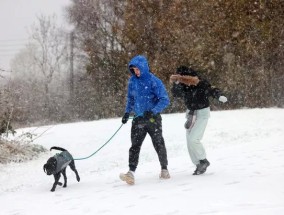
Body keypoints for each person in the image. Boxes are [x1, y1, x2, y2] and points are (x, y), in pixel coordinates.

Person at [120, 55, 170, 185]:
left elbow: (165, 99)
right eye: (133, 69)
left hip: (153, 119)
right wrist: (126, 113)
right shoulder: (132, 81)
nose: (136, 72)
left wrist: (153, 111)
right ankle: (131, 173)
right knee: (135, 146)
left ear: (143, 67)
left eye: (137, 69)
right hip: (138, 119)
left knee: (158, 143)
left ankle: (164, 169)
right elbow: (131, 99)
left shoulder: (154, 81)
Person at [170, 65, 227, 175]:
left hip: (202, 113)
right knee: (189, 141)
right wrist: (177, 83)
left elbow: (211, 89)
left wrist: (218, 95)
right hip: (190, 114)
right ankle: (198, 164)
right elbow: (176, 94)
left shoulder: (200, 83)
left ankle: (203, 160)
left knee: (193, 139)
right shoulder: (182, 85)